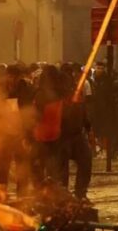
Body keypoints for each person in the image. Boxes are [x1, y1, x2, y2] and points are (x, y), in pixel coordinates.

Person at [0, 64, 35, 201]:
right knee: (2, 165)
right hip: (5, 133)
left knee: (21, 164)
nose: (10, 79)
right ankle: (0, 193)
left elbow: (28, 112)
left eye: (12, 76)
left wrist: (27, 134)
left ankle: (22, 194)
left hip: (20, 133)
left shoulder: (26, 89)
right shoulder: (2, 89)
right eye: (8, 76)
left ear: (18, 77)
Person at [59, 68, 94, 203]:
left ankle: (80, 192)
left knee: (86, 160)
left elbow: (83, 112)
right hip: (62, 136)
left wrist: (89, 128)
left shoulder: (77, 94)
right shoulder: (57, 97)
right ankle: (63, 193)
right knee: (62, 167)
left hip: (77, 135)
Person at [32, 65, 65, 186]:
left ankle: (41, 193)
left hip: (41, 135)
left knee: (38, 166)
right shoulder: (62, 92)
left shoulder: (41, 94)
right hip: (56, 133)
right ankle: (54, 191)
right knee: (54, 167)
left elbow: (36, 116)